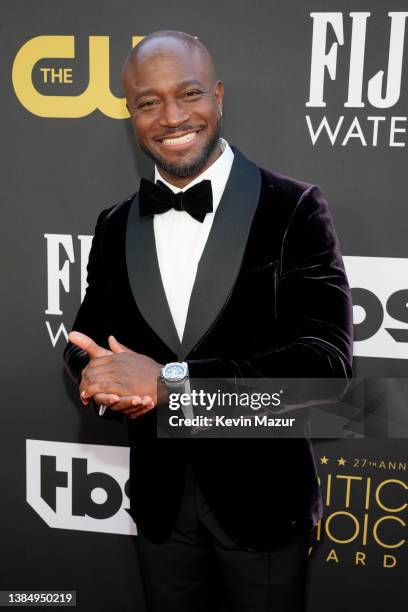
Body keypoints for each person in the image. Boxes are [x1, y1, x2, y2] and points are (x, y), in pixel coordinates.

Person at [64, 30, 353, 612]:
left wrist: (172, 386)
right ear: (132, 113)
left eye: (189, 93)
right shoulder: (115, 224)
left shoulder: (292, 206)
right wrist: (93, 374)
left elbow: (326, 369)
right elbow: (85, 341)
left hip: (263, 505)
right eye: (149, 102)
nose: (172, 116)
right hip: (161, 505)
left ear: (217, 96)